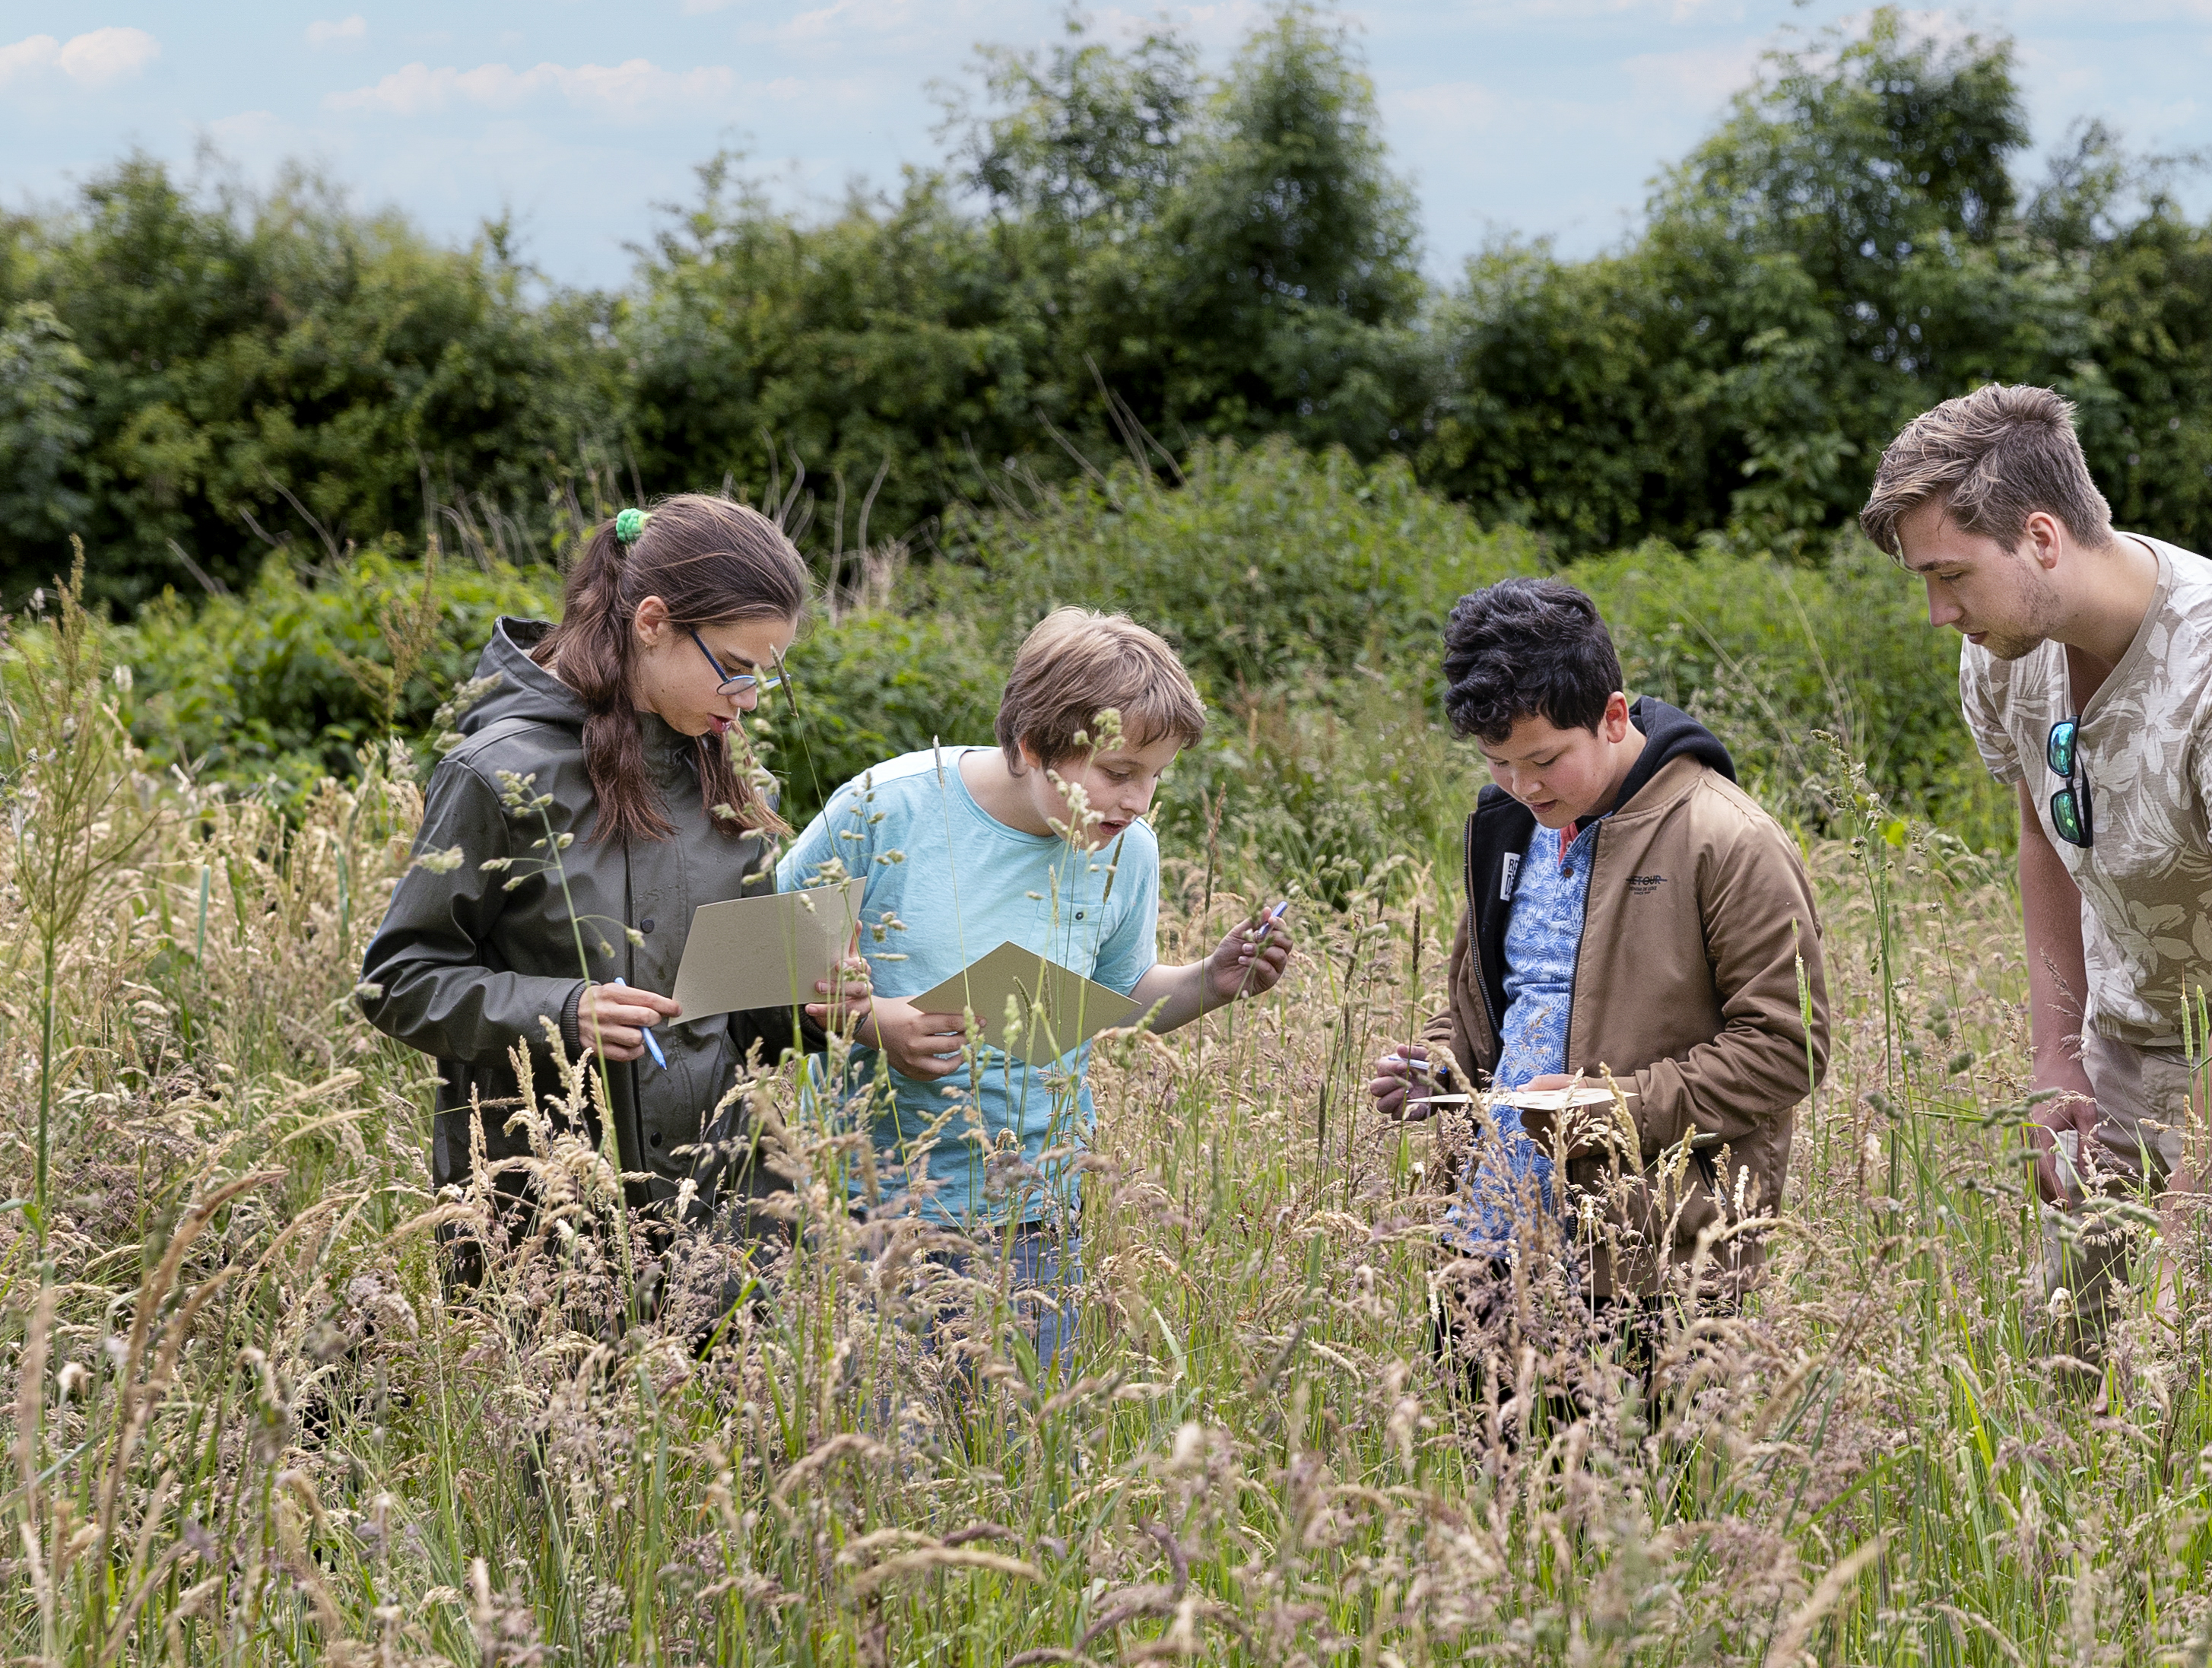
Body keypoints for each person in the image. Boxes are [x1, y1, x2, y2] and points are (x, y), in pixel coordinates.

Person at [1858, 383, 2212, 1336]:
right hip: (2134, 1006)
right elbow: (2042, 834)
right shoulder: (2004, 649)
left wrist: (2180, 1250)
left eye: (1949, 575)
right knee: (2075, 1331)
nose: (1937, 611)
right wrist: (2057, 1056)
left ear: (2040, 537)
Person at [775, 607, 1293, 1379]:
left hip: (1034, 1214)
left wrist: (1209, 982)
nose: (1138, 801)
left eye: (1155, 776)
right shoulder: (888, 805)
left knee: (1018, 1444)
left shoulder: (1126, 850)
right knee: (880, 1442)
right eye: (1119, 772)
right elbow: (768, 960)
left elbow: (1119, 995)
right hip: (869, 1203)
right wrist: (875, 1022)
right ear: (1030, 745)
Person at [1365, 579, 1830, 1431]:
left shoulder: (1727, 839)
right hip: (1486, 1242)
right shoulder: (1505, 825)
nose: (1521, 784)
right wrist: (1437, 1067)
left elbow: (1787, 1047)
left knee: (1638, 1504)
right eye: (1497, 761)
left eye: (1544, 760)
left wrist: (1611, 1111)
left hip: (1648, 1264)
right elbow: (1483, 1007)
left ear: (1614, 716)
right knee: (1481, 1498)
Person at [362, 496, 811, 1279]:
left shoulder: (731, 773)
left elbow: (743, 1012)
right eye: (735, 669)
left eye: (762, 679)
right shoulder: (496, 772)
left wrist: (817, 1000)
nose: (745, 701)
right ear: (652, 622)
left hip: (724, 1221)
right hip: (546, 1225)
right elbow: (398, 981)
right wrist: (564, 1011)